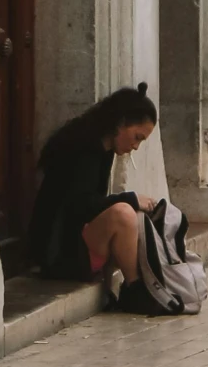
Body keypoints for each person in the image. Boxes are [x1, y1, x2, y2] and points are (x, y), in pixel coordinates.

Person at [27, 85, 158, 286]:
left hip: (78, 240)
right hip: (59, 252)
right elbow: (81, 206)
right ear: (121, 123)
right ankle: (135, 287)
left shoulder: (104, 148)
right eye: (137, 137)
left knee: (136, 217)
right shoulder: (81, 146)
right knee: (123, 213)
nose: (136, 146)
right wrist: (129, 199)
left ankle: (145, 282)